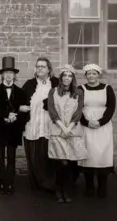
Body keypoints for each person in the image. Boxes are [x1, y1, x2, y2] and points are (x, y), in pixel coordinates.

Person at [47, 64, 87, 203]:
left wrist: (69, 128)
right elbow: (52, 111)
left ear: (73, 78)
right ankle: (59, 188)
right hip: (58, 130)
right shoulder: (53, 92)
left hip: (72, 130)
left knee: (71, 162)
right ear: (61, 77)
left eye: (70, 76)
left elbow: (78, 112)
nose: (67, 78)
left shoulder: (78, 93)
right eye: (65, 75)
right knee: (61, 162)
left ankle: (67, 189)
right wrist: (62, 128)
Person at [20, 57, 59, 192]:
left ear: (49, 69)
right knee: (34, 156)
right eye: (38, 66)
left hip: (51, 126)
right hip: (33, 125)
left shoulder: (56, 83)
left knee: (50, 156)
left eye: (43, 66)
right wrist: (20, 108)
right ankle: (37, 184)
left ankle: (51, 184)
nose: (40, 68)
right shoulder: (29, 84)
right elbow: (19, 102)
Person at [0, 56, 26, 195]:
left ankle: (10, 183)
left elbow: (25, 110)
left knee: (11, 157)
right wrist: (6, 115)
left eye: (11, 73)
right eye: (6, 73)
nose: (9, 75)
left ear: (14, 75)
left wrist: (14, 116)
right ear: (2, 74)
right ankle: (2, 183)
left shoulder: (20, 91)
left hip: (13, 130)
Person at [78, 64, 116, 198]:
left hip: (103, 127)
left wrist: (100, 122)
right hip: (86, 126)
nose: (91, 76)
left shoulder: (107, 88)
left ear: (98, 75)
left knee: (102, 155)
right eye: (88, 74)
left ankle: (102, 187)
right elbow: (77, 108)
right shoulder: (80, 89)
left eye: (94, 73)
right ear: (85, 76)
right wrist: (86, 122)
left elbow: (111, 107)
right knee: (88, 155)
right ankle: (89, 186)